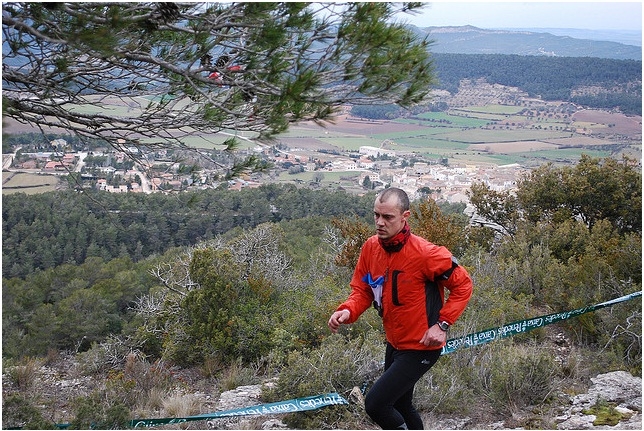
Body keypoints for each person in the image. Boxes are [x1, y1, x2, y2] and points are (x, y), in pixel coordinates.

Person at [328, 187, 473, 430]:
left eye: (388, 217)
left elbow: (464, 285)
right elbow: (363, 290)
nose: (379, 223)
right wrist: (348, 311)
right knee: (402, 405)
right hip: (394, 343)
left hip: (422, 346)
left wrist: (443, 324)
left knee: (376, 404)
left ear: (405, 216)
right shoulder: (371, 248)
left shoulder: (426, 254)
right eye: (376, 215)